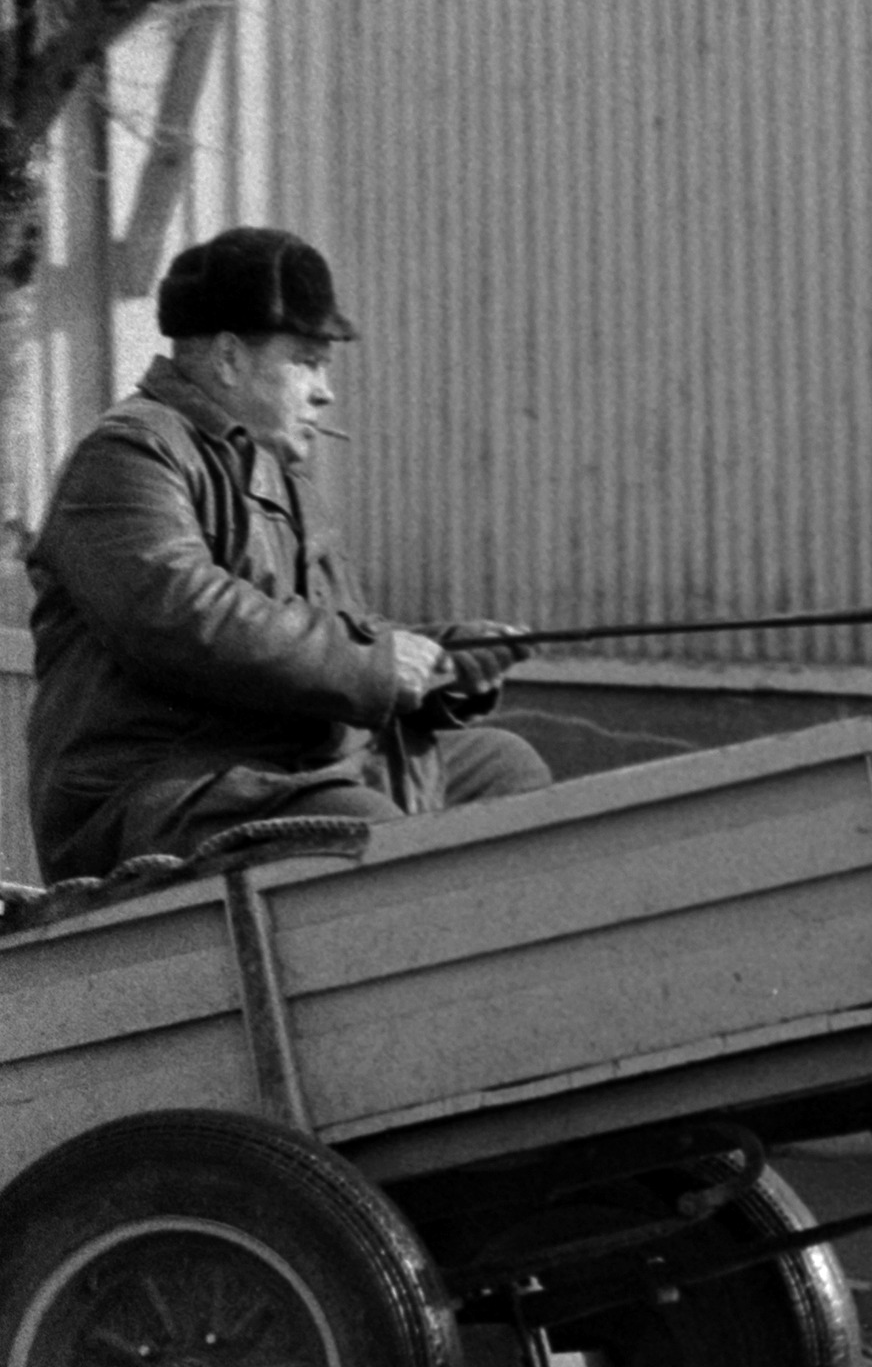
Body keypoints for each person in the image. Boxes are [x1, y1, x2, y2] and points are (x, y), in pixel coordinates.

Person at [21, 226, 552, 880]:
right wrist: (379, 665)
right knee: (358, 827)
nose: (325, 390)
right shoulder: (129, 455)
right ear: (229, 358)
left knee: (503, 770)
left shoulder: (284, 481)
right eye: (306, 360)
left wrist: (439, 659)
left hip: (288, 772)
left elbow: (333, 636)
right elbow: (180, 617)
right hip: (163, 792)